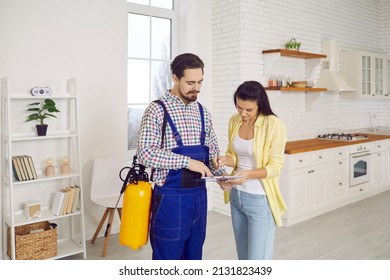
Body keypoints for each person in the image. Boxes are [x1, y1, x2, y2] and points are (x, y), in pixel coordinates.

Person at [136, 53, 224, 260]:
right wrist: (187, 162)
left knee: (194, 258)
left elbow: (212, 151)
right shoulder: (157, 110)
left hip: (199, 199)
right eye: (190, 82)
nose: (197, 88)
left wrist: (222, 175)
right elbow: (145, 153)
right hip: (170, 200)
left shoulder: (202, 112)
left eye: (200, 81)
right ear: (175, 79)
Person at [216, 80, 288, 260]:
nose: (243, 113)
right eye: (239, 108)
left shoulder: (273, 124)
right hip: (236, 197)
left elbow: (275, 167)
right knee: (243, 258)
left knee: (257, 260)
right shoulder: (234, 121)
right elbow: (235, 155)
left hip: (260, 200)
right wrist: (226, 160)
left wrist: (248, 174)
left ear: (260, 105)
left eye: (249, 110)